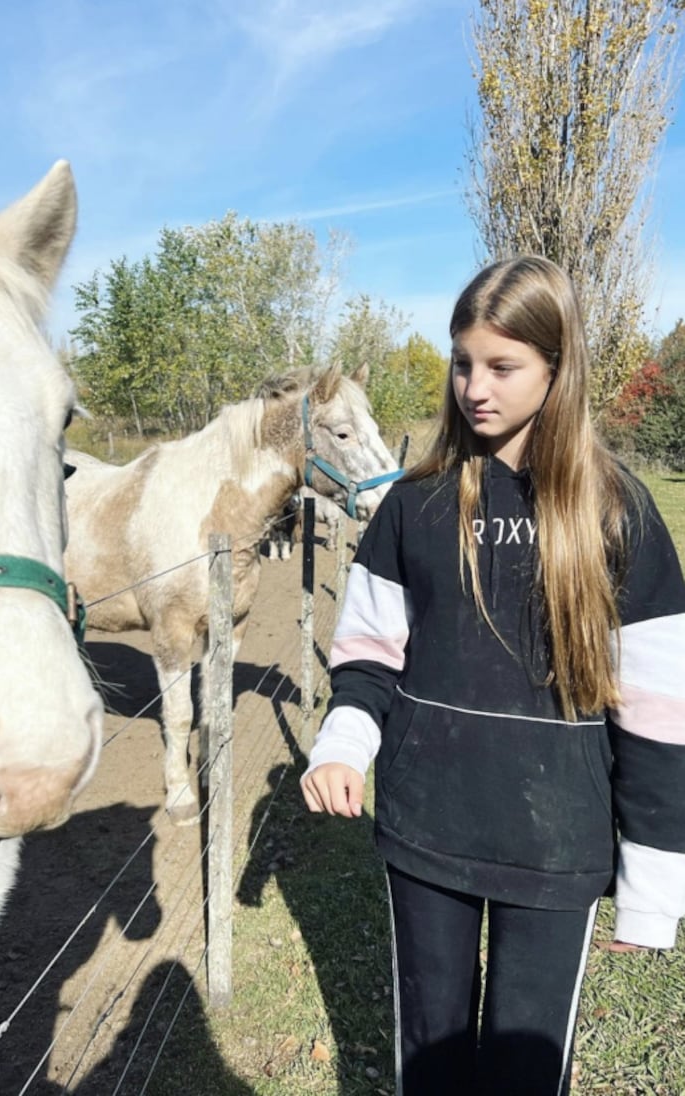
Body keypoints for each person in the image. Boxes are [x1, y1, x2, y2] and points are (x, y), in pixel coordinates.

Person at [301, 256, 685, 1096]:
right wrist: (343, 743)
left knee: (522, 1074)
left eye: (503, 366)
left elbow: (661, 712)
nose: (476, 386)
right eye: (462, 361)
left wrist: (653, 886)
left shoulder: (617, 510)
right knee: (429, 1068)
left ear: (556, 367)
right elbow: (368, 652)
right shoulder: (412, 506)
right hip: (426, 833)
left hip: (557, 849)